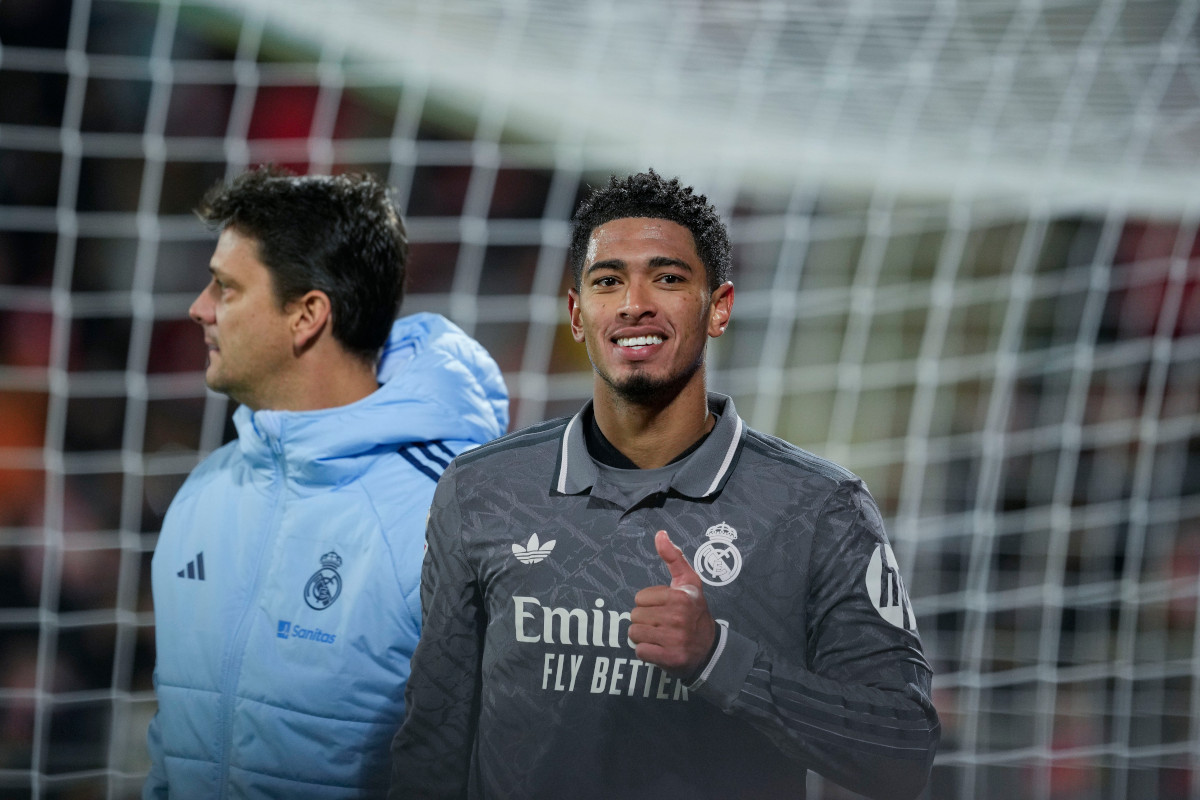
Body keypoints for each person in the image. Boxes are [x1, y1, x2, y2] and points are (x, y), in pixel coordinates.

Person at [389, 170, 940, 799]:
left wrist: (719, 659)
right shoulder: (483, 488)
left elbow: (902, 752)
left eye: (669, 278)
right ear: (577, 313)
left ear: (720, 308)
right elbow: (431, 742)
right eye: (608, 281)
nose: (635, 303)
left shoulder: (818, 509)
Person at [144, 166, 509, 799]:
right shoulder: (203, 495)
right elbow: (171, 747)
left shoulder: (445, 517)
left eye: (226, 289)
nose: (199, 308)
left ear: (307, 315)